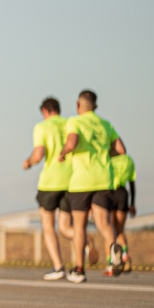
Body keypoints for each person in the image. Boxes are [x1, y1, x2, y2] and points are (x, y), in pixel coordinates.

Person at [58, 90, 125, 283]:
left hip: (82, 181)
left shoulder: (75, 121)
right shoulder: (106, 124)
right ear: (95, 106)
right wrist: (103, 153)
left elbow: (72, 142)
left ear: (78, 105)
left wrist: (63, 152)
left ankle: (79, 269)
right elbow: (121, 150)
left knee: (79, 226)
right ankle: (113, 253)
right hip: (104, 179)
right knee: (103, 222)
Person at [22, 97, 77, 281]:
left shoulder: (42, 126)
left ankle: (58, 267)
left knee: (48, 226)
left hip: (50, 182)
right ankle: (83, 238)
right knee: (65, 227)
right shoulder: (70, 124)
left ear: (45, 111)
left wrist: (28, 162)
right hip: (71, 181)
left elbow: (39, 154)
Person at [106, 152, 136, 273]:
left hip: (109, 192)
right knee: (119, 230)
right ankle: (125, 256)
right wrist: (132, 203)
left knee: (108, 229)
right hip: (123, 194)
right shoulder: (128, 160)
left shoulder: (107, 157)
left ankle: (111, 264)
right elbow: (132, 183)